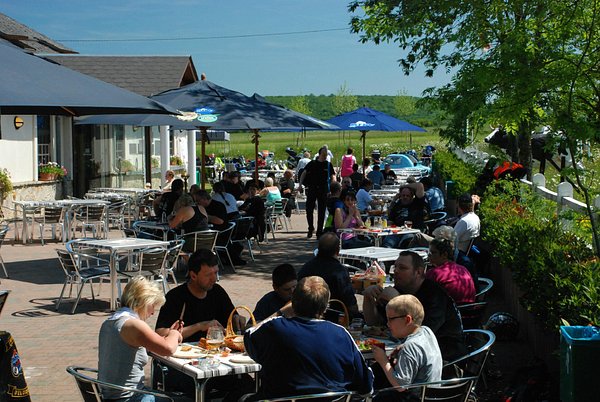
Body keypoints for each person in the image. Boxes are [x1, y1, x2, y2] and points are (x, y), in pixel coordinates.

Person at [244, 276, 373, 399]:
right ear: (325, 306)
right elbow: (366, 388)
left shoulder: (274, 328)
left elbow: (249, 335)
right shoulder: (341, 334)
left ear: (293, 302)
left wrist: (281, 311)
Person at [155, 249, 252, 401]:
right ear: (193, 275)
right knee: (200, 388)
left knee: (247, 384)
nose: (214, 279)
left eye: (216, 273)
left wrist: (237, 318)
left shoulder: (217, 292)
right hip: (182, 365)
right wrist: (199, 326)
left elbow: (231, 316)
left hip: (214, 362)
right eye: (208, 275)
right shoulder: (176, 297)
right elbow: (160, 333)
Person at [362, 251, 466, 362]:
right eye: (395, 267)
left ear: (418, 272)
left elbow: (423, 333)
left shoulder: (434, 294)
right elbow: (375, 324)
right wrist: (368, 298)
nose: (396, 271)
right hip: (406, 353)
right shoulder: (400, 289)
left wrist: (398, 300)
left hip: (442, 358)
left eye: (402, 268)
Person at [99, 276, 182, 401]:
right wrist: (174, 334)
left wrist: (169, 336)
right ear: (144, 302)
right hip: (130, 397)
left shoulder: (111, 321)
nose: (153, 312)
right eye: (153, 305)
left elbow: (152, 344)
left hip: (110, 395)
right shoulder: (133, 325)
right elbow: (168, 349)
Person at [372, 295, 442, 402]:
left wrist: (383, 361)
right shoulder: (426, 331)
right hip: (433, 394)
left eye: (391, 319)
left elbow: (401, 386)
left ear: (407, 320)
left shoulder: (410, 346)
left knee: (379, 395)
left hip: (416, 398)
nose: (387, 324)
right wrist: (402, 346)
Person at [298, 232, 360, 317]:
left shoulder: (305, 268)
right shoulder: (339, 271)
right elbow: (350, 302)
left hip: (305, 313)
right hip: (335, 316)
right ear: (337, 251)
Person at [299, 146, 336, 239]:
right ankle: (310, 228)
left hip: (323, 190)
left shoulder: (328, 164)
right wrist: (300, 184)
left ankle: (319, 231)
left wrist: (333, 187)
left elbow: (333, 176)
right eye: (324, 153)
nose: (325, 155)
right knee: (309, 209)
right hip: (312, 189)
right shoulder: (312, 163)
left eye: (326, 154)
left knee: (322, 211)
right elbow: (304, 173)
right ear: (319, 154)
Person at [426, 238, 476, 305]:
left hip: (449, 312)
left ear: (444, 255)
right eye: (429, 252)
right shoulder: (463, 269)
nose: (429, 255)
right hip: (471, 312)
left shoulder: (434, 273)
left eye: (433, 252)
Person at [383, 181, 427, 248]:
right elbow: (390, 218)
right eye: (403, 195)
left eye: (407, 196)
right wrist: (394, 199)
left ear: (412, 196)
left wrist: (403, 186)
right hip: (397, 232)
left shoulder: (417, 204)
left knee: (406, 241)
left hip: (412, 231)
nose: (405, 197)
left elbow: (420, 185)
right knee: (387, 243)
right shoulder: (398, 205)